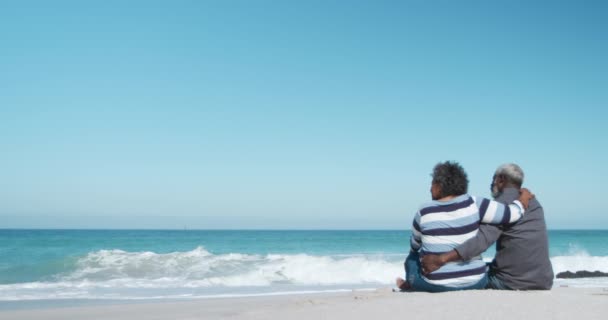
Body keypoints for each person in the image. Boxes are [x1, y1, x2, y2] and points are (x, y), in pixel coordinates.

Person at [396, 161, 534, 292]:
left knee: (412, 256)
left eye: (432, 184)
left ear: (439, 185)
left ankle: (411, 282)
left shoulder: (424, 211)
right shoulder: (474, 203)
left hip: (437, 285)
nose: (429, 189)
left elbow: (415, 244)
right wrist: (523, 200)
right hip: (477, 281)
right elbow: (511, 214)